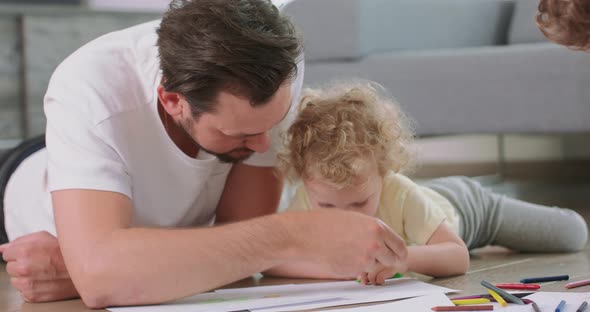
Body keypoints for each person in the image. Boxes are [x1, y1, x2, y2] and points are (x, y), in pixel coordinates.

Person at [0, 1, 408, 308]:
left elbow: (240, 251)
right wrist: (292, 234)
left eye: (272, 124)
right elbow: (102, 280)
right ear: (173, 100)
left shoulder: (272, 69)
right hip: (26, 182)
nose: (265, 147)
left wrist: (99, 269)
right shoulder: (90, 88)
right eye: (242, 134)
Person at [266, 81, 588, 285]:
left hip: (471, 209)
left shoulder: (400, 193)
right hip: (431, 207)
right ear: (305, 181)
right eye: (327, 206)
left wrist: (402, 260)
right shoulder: (305, 198)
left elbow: (457, 256)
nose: (345, 218)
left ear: (384, 172)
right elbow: (271, 263)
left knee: (571, 234)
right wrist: (336, 268)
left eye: (359, 203)